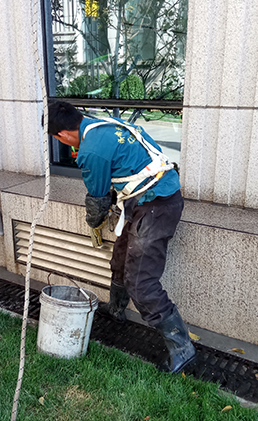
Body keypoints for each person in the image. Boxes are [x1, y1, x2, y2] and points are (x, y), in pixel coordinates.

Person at [47, 100, 196, 373]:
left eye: (59, 139)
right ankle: (116, 309)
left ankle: (182, 347)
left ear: (63, 135)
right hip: (146, 200)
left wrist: (93, 223)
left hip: (156, 206)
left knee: (141, 282)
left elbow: (98, 200)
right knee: (119, 259)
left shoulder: (90, 151)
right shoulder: (105, 124)